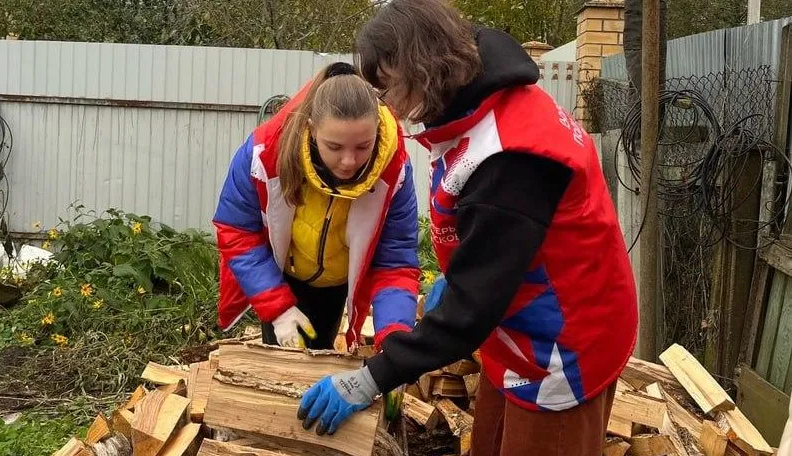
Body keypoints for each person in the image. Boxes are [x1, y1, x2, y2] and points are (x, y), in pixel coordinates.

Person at [297, 1, 639, 453]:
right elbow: (490, 240)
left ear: (421, 67)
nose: (387, 104)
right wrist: (460, 274)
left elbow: (471, 310)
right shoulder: (476, 100)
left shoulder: (509, 157)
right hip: (517, 322)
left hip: (563, 340)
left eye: (388, 86)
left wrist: (371, 378)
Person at [213, 62, 420, 353]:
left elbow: (395, 261)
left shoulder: (395, 171)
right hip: (281, 276)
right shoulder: (264, 153)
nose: (348, 161)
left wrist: (394, 336)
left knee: (321, 355)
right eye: (334, 147)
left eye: (363, 146)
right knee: (282, 368)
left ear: (378, 129)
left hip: (337, 285)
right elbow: (237, 231)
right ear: (311, 129)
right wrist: (277, 307)